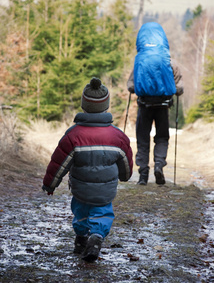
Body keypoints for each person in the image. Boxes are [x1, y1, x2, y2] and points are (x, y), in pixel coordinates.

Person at [42, 77, 133, 262]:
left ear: (84, 106)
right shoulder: (118, 136)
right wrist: (125, 176)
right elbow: (126, 163)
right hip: (105, 191)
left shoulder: (73, 135)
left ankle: (81, 239)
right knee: (102, 212)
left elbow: (58, 163)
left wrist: (50, 185)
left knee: (81, 211)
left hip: (80, 189)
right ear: (106, 107)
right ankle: (96, 237)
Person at [127, 22, 183, 186]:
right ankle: (159, 166)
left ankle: (143, 175)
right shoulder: (169, 62)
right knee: (162, 137)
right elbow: (179, 87)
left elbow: (131, 85)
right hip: (163, 106)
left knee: (142, 138)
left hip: (144, 105)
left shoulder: (140, 61)